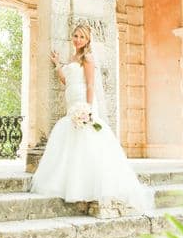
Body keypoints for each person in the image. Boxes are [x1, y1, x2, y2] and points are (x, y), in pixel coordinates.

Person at [30, 23, 153, 212]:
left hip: (83, 100)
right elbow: (66, 80)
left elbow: (90, 85)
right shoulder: (73, 57)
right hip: (71, 100)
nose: (78, 39)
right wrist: (57, 64)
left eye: (82, 37)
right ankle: (70, 180)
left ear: (88, 40)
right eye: (76, 36)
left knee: (87, 139)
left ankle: (89, 185)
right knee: (70, 137)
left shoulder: (87, 58)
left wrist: (87, 109)